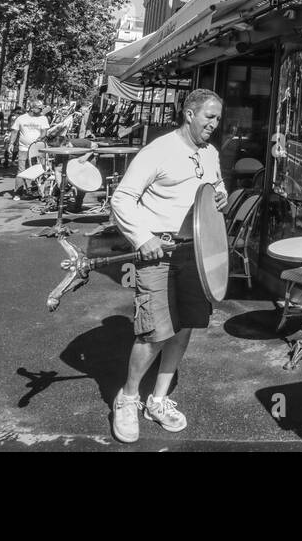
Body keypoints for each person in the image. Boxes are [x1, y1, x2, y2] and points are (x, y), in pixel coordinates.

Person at [108, 88, 229, 443]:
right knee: (154, 332)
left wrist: (221, 196)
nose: (214, 124)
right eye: (209, 116)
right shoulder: (158, 150)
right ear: (189, 114)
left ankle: (158, 400)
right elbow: (122, 198)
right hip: (158, 251)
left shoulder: (210, 153)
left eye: (218, 118)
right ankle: (128, 398)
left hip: (197, 252)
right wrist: (141, 238)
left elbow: (214, 189)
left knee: (184, 327)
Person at [7, 100, 50, 197]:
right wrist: (11, 144)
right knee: (21, 170)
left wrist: (39, 139)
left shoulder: (43, 118)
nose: (41, 110)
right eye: (39, 108)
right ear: (32, 108)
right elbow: (14, 132)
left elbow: (44, 132)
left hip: (38, 150)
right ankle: (18, 193)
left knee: (39, 169)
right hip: (23, 149)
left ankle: (38, 191)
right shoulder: (21, 118)